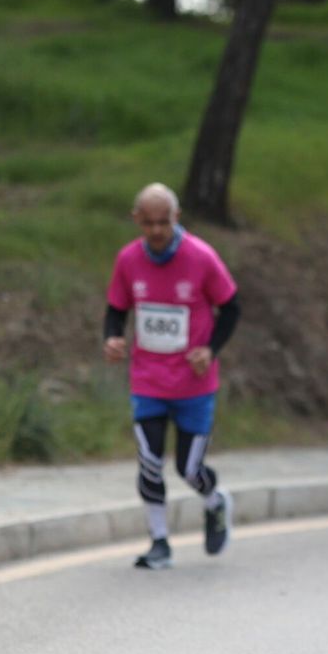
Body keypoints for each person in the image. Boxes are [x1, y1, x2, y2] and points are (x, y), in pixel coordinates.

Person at [102, 183, 240, 571]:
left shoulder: (201, 257)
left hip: (194, 384)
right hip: (148, 380)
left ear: (177, 218)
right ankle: (159, 542)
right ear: (137, 221)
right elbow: (116, 309)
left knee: (189, 468)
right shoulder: (128, 260)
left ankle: (215, 502)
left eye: (164, 222)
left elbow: (231, 308)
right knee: (149, 460)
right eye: (149, 223)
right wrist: (112, 338)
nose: (157, 231)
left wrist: (210, 349)